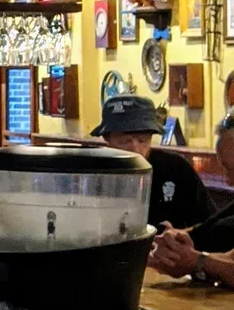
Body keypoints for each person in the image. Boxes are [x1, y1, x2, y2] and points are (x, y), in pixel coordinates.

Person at [94, 92, 212, 231]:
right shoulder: (93, 173)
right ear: (107, 139)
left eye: (142, 140)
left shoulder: (175, 169)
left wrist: (181, 236)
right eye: (124, 141)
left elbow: (208, 223)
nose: (135, 148)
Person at [150, 109, 234, 280]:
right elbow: (227, 254)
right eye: (223, 168)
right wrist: (176, 238)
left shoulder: (174, 167)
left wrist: (197, 262)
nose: (229, 182)